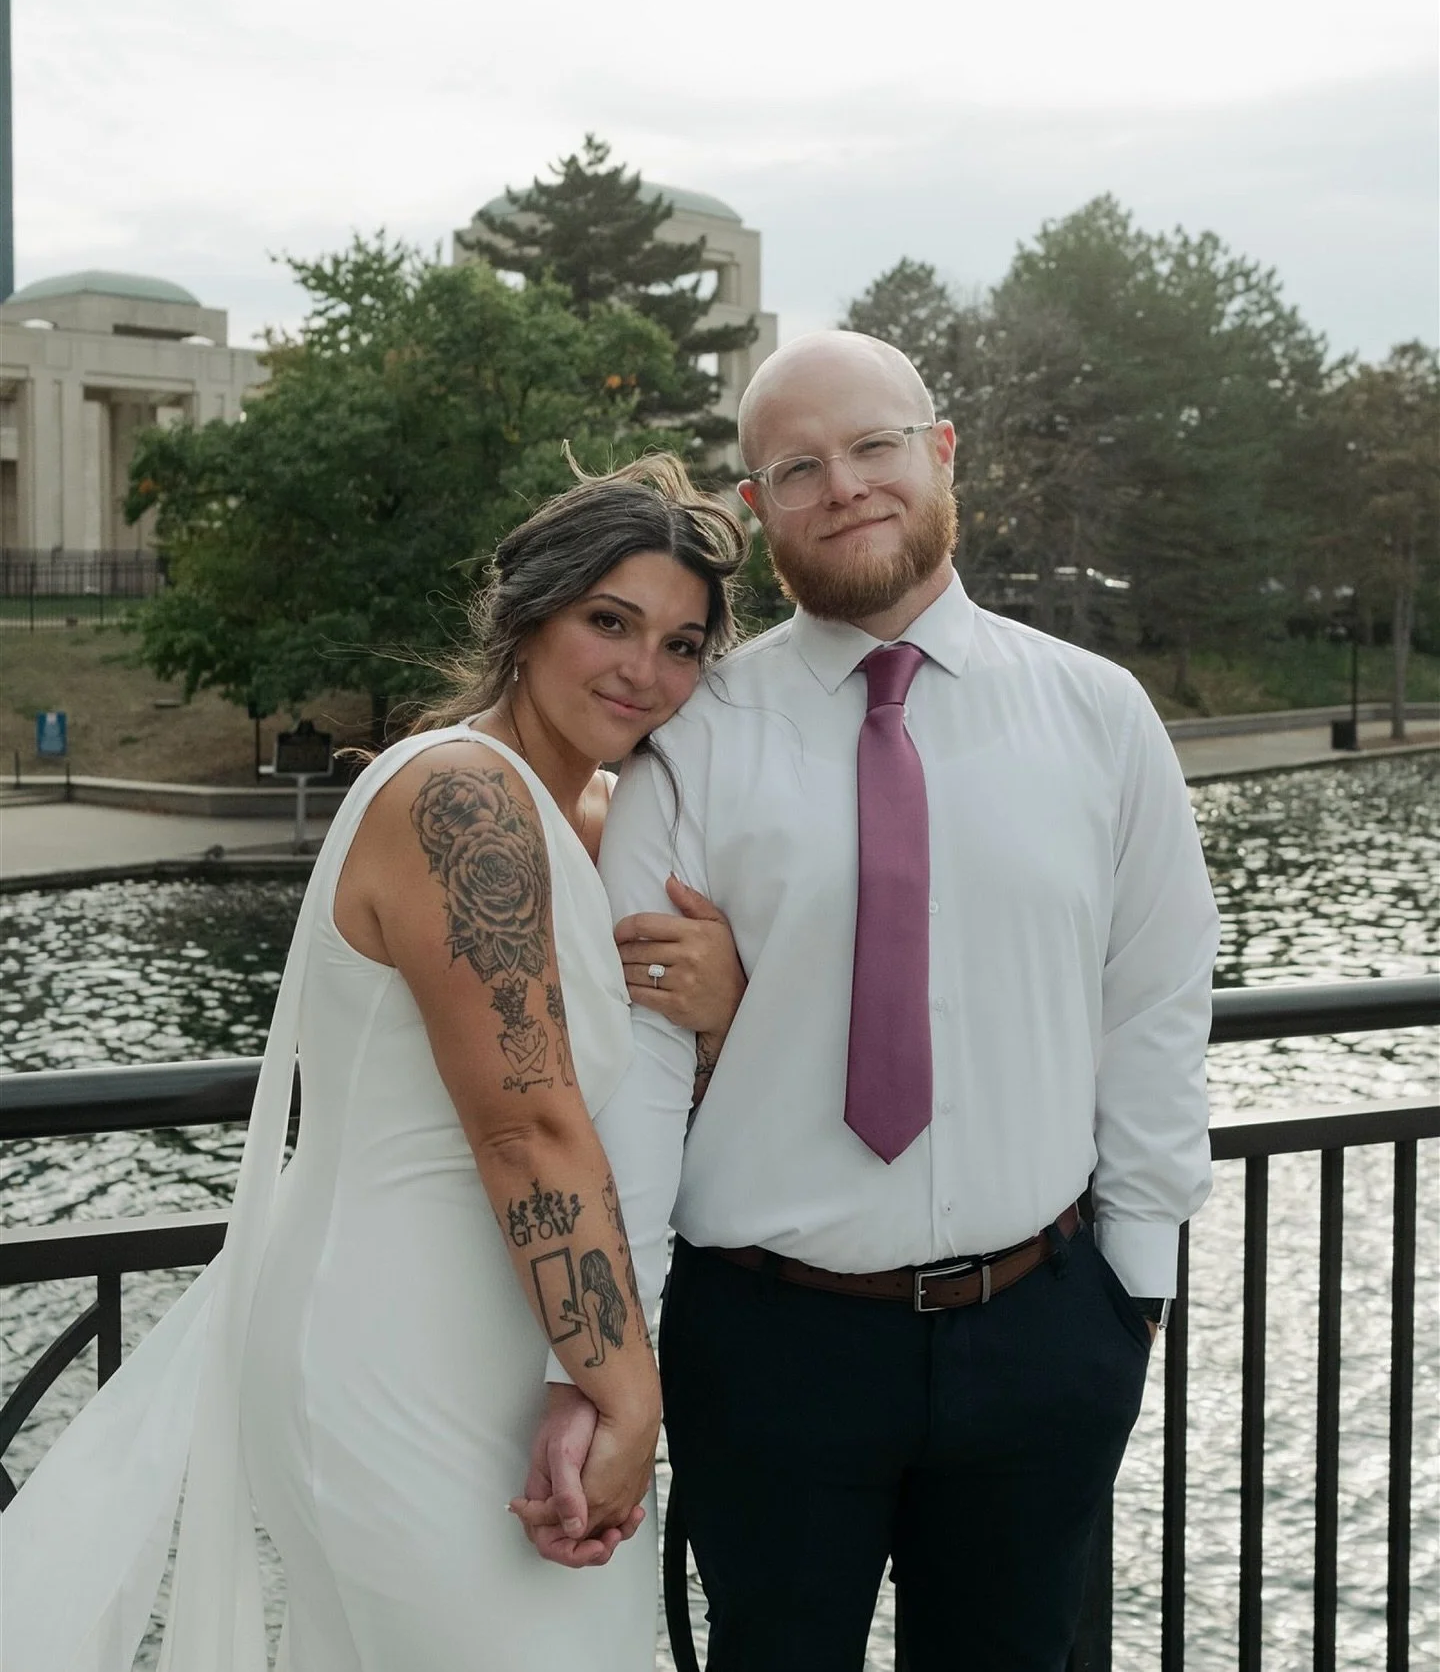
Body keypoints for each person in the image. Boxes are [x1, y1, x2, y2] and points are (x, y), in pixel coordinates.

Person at [538, 331, 1221, 1670]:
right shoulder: (691, 743)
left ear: (942, 452)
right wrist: (612, 1358)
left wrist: (1135, 1287)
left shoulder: (1100, 715)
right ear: (759, 507)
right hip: (766, 1346)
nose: (844, 485)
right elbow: (641, 1074)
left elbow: (1155, 1002)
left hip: (1044, 1333)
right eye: (798, 467)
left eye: (873, 446)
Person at [2, 454, 749, 1672]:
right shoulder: (459, 798)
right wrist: (628, 1392)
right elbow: (525, 1128)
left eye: (681, 645)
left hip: (537, 1342)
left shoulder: (607, 819)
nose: (643, 670)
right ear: (527, 616)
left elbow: (645, 1106)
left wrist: (721, 1010)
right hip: (397, 1338)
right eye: (609, 622)